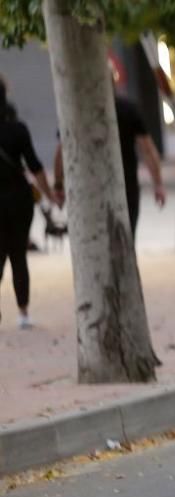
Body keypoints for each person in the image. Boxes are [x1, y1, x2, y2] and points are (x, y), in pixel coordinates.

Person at [53, 84, 166, 241]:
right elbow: (147, 149)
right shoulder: (128, 109)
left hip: (88, 188)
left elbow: (61, 151)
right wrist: (158, 184)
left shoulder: (76, 110)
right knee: (127, 238)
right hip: (125, 186)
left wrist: (59, 185)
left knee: (94, 240)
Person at [0, 76, 61, 329]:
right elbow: (35, 167)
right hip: (19, 200)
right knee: (18, 256)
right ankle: (23, 313)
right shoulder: (18, 129)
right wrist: (50, 195)